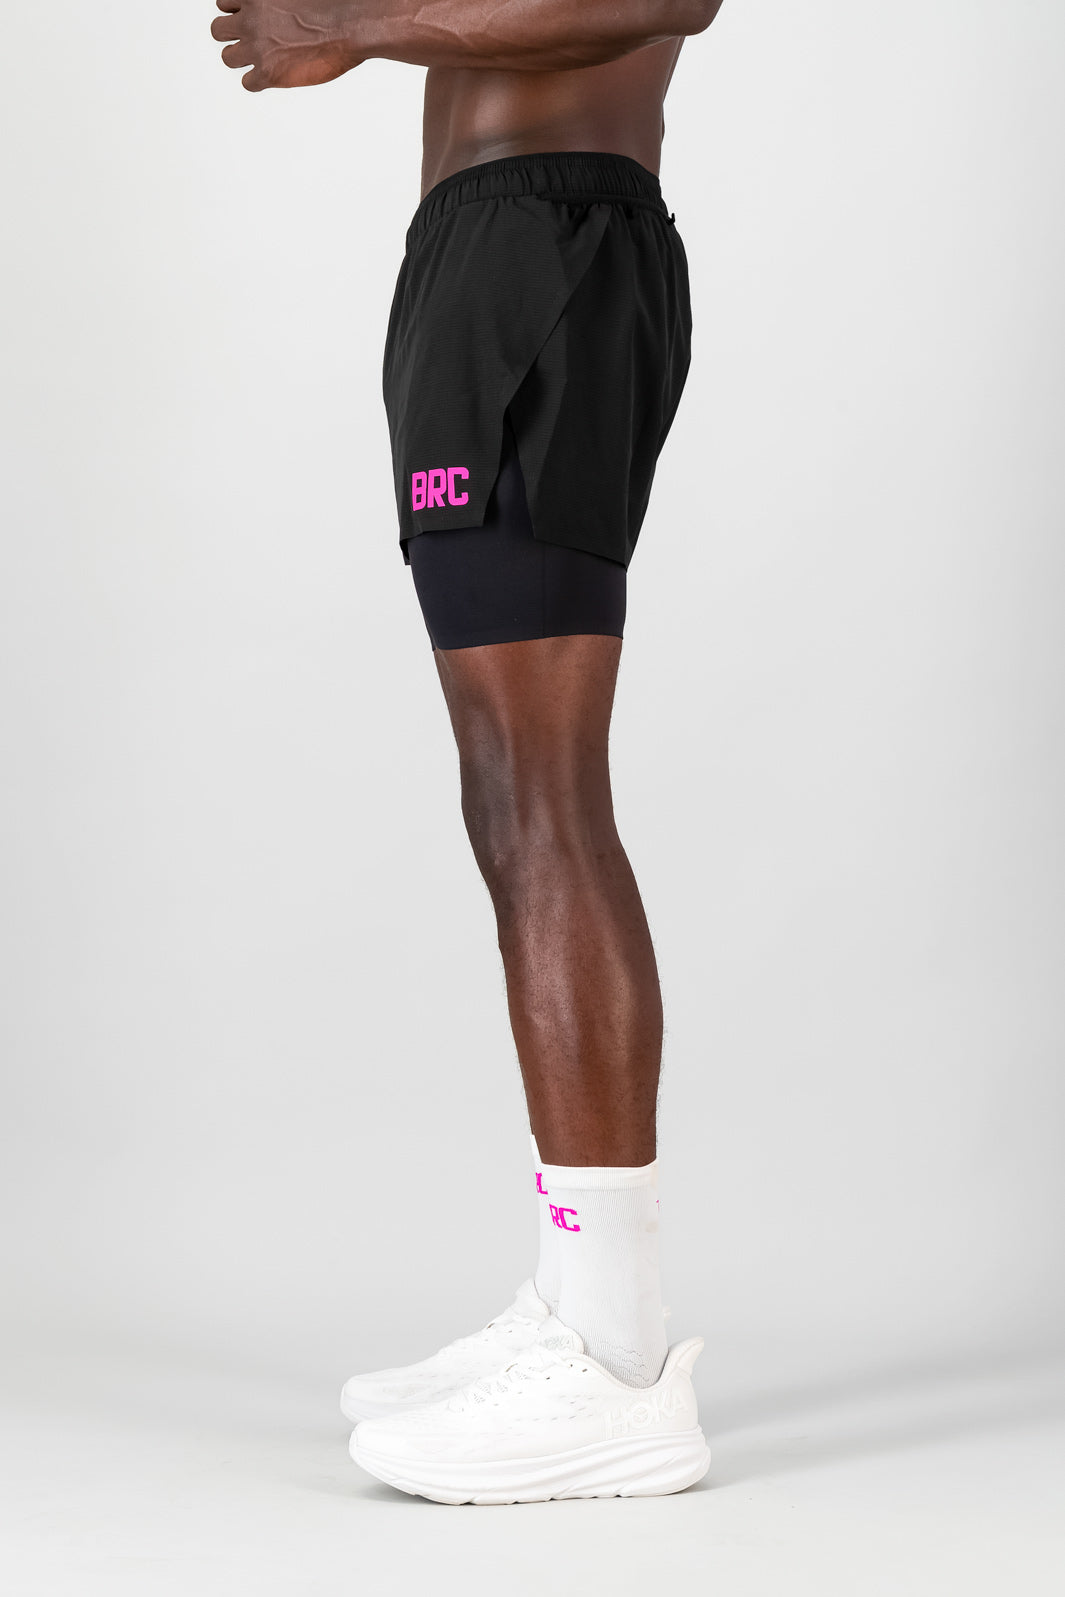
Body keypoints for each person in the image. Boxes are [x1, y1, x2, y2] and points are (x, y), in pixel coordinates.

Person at [212, 0, 726, 1504]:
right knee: (509, 798)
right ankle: (576, 1302)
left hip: (542, 246)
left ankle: (613, 1362)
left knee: (541, 793)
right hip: (489, 247)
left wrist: (356, 25)